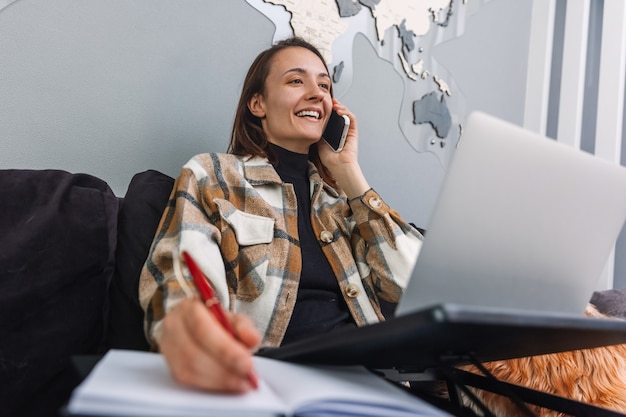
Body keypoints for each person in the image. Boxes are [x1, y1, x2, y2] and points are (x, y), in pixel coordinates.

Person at [138, 36, 423, 393]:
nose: (317, 93)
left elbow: (415, 287)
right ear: (257, 103)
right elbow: (180, 277)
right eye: (296, 80)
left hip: (372, 385)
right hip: (275, 384)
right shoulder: (214, 175)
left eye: (324, 84)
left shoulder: (343, 203)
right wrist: (188, 329)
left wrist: (349, 172)